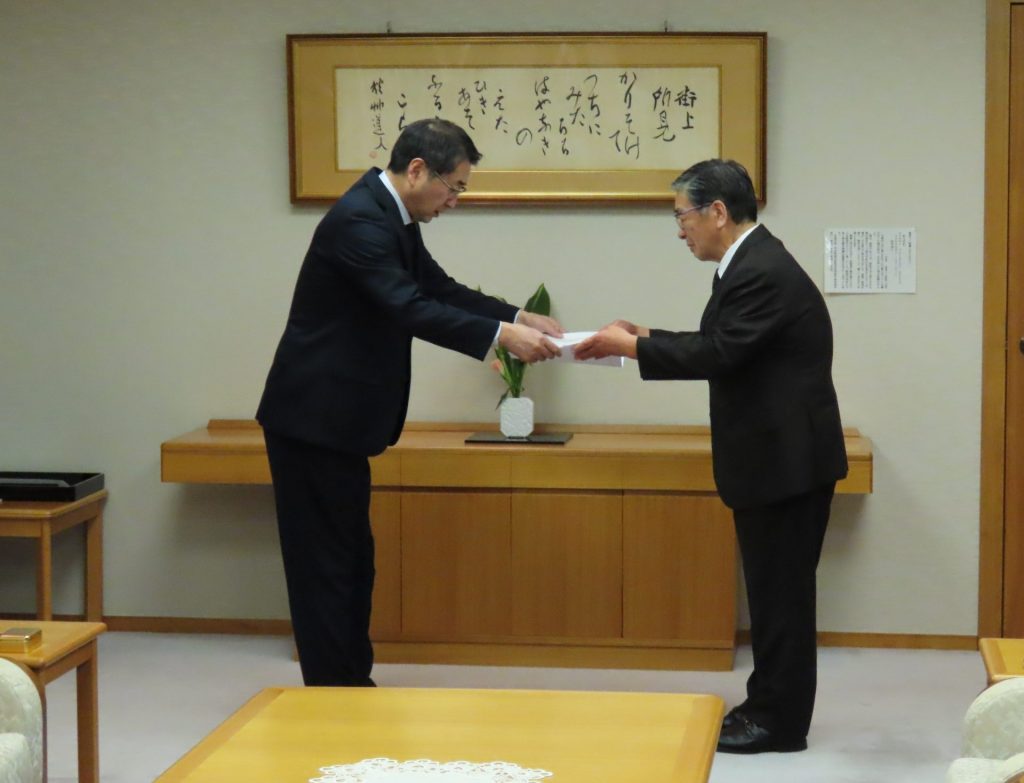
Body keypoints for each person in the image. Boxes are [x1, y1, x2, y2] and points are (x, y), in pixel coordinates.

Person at [256, 118, 563, 687]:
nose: (454, 201)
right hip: (313, 420)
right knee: (326, 566)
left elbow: (437, 289)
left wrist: (516, 315)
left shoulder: (388, 214)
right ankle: (333, 694)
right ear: (418, 170)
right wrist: (501, 337)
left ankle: (351, 681)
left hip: (339, 422)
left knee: (352, 559)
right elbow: (409, 307)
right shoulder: (360, 221)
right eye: (454, 187)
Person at [574, 159, 847, 754]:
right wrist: (643, 338)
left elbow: (719, 354)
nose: (680, 230)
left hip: (786, 464)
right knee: (773, 594)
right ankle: (766, 706)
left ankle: (779, 724)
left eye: (683, 216)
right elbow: (725, 346)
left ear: (718, 212)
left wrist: (634, 347)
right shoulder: (750, 263)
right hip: (778, 460)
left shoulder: (761, 270)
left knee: (781, 598)